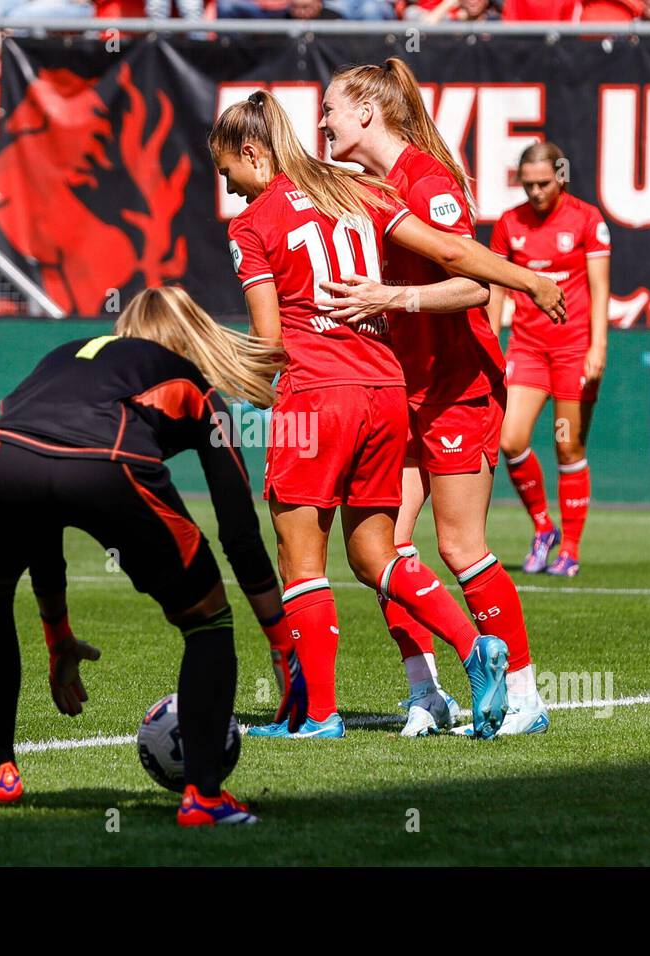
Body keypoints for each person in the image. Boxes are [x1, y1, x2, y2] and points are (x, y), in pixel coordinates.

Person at [209, 91, 564, 740]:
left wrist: (221, 370)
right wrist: (530, 281)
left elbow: (272, 340)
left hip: (314, 396)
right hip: (385, 390)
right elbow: (454, 254)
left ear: (253, 153)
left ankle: (318, 716)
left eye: (228, 172)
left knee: (301, 559)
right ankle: (471, 647)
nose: (229, 190)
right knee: (377, 551)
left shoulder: (252, 225)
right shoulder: (358, 192)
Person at [0, 287, 292, 826]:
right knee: (208, 621)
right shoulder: (194, 386)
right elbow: (238, 525)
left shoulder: (63, 356)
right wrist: (282, 644)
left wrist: (58, 635)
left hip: (3, 458)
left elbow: (46, 508)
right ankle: (205, 797)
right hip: (108, 463)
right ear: (195, 336)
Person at [315, 58, 548, 737]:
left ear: (365, 111)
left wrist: (393, 298)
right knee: (381, 552)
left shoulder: (427, 179)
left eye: (330, 108)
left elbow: (476, 283)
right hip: (399, 392)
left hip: (457, 389)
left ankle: (526, 697)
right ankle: (428, 693)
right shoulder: (364, 186)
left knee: (459, 547)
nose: (322, 121)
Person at [488, 142, 611, 578]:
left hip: (573, 349)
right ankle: (544, 527)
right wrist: (489, 343)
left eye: (544, 182)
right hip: (527, 348)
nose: (537, 191)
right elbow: (496, 291)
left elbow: (600, 288)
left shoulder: (587, 219)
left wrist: (598, 348)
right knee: (510, 440)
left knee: (567, 445)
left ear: (561, 175)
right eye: (529, 184)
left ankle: (571, 550)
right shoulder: (508, 224)